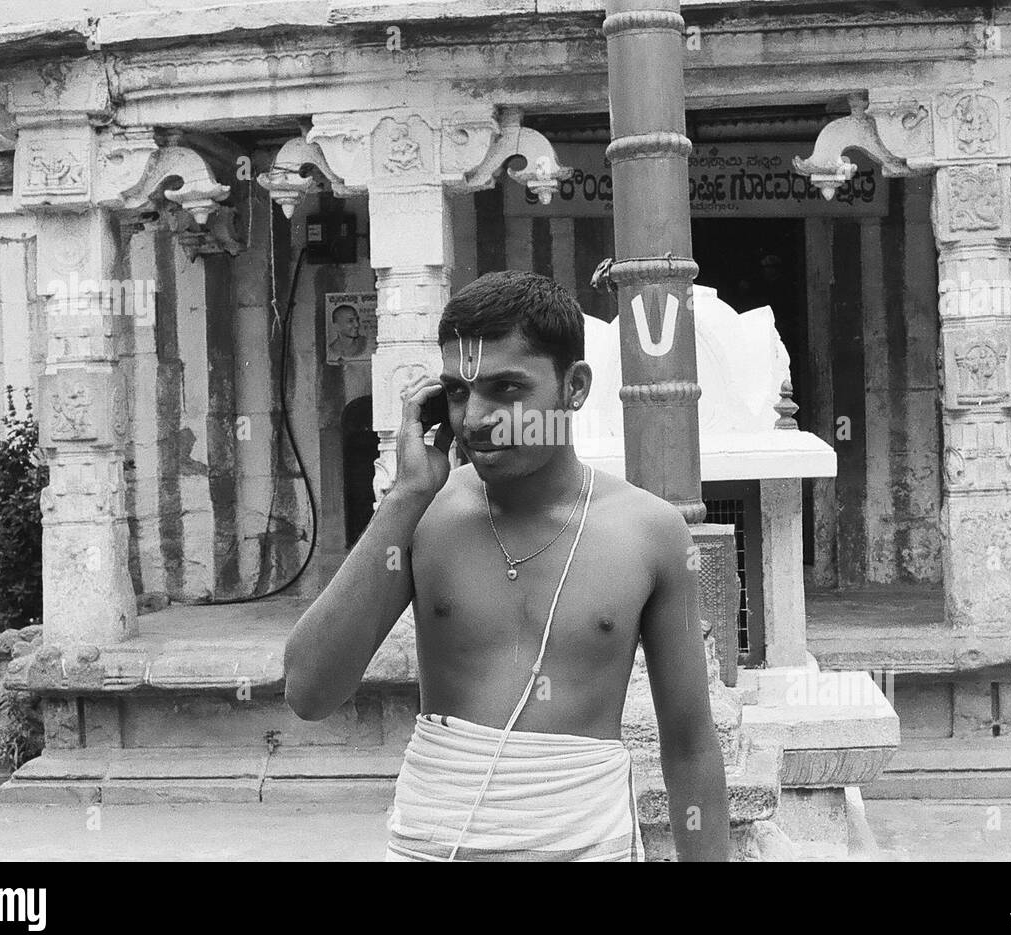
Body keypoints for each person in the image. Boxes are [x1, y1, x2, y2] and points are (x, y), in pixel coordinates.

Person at [284, 270, 729, 862]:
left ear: (574, 387)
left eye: (507, 388)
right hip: (434, 841)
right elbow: (309, 692)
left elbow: (691, 744)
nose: (475, 418)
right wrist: (404, 497)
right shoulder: (421, 515)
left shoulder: (648, 532)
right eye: (460, 392)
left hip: (585, 844)